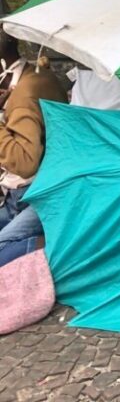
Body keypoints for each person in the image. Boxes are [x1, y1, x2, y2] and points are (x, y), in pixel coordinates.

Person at [0, 30, 67, 266]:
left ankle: (55, 249)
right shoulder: (39, 76)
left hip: (34, 194)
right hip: (48, 182)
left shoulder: (24, 96)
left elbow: (25, 162)